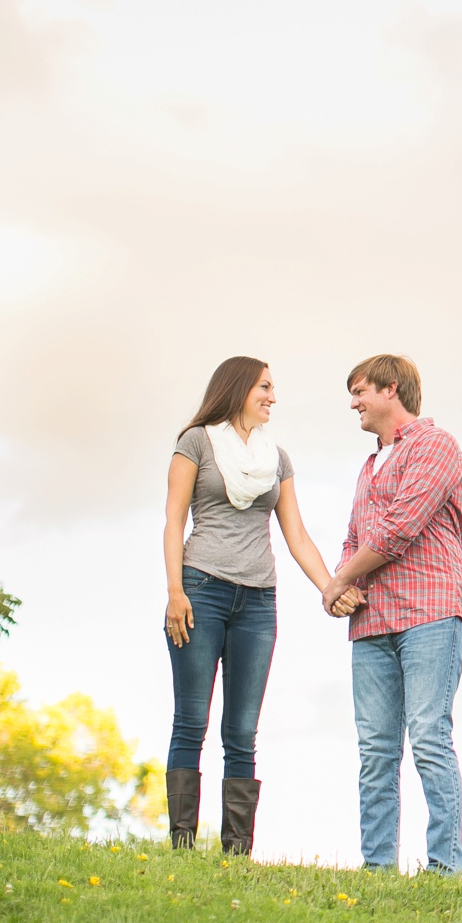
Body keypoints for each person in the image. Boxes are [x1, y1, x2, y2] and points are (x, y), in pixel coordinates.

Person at [162, 356, 362, 855]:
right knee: (191, 720)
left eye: (273, 388)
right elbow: (173, 521)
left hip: (258, 602)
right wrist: (175, 591)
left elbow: (295, 534)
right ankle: (182, 847)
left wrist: (330, 586)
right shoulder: (196, 442)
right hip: (200, 590)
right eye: (264, 387)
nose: (273, 396)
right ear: (237, 389)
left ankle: (236, 852)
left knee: (242, 730)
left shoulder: (278, 459)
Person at [324, 354, 462, 874]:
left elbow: (398, 530)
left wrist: (339, 580)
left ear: (391, 390)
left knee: (429, 735)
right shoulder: (369, 466)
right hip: (372, 624)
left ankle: (444, 868)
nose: (354, 403)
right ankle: (378, 869)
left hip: (430, 612)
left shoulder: (437, 446)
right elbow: (354, 540)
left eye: (360, 391)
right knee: (376, 752)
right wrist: (340, 588)